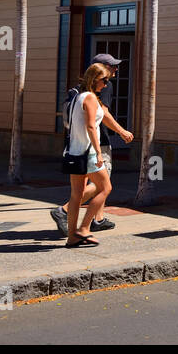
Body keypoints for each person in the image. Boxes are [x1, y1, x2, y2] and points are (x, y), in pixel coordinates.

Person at [51, 52, 132, 235]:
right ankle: (67, 213)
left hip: (75, 145)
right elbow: (100, 117)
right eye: (111, 66)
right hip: (95, 144)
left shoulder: (79, 90)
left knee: (81, 188)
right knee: (103, 185)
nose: (115, 70)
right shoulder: (101, 89)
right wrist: (121, 132)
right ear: (99, 71)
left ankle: (94, 221)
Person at [64, 64, 115, 247]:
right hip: (89, 153)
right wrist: (99, 153)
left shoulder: (79, 96)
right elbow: (91, 126)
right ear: (95, 79)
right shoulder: (91, 98)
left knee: (76, 195)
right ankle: (84, 228)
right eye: (105, 80)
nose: (106, 84)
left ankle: (72, 236)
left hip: (75, 152)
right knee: (106, 188)